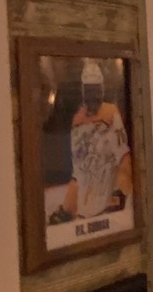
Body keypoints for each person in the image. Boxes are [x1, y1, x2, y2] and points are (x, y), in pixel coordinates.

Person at [51, 60, 133, 228]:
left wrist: (128, 194)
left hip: (107, 200)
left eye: (96, 90)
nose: (93, 96)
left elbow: (124, 160)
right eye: (89, 91)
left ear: (102, 89)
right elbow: (78, 172)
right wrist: (67, 209)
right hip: (86, 209)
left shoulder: (110, 113)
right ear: (83, 91)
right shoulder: (78, 121)